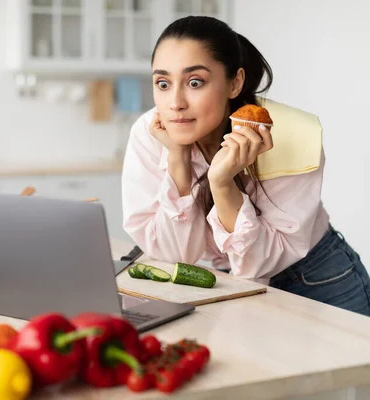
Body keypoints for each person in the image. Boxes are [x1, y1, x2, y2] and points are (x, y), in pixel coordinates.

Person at [121, 16, 370, 316]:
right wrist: (177, 157)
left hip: (319, 281)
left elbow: (258, 262)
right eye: (163, 83)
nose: (175, 103)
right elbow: (175, 256)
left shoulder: (290, 135)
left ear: (235, 82)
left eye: (195, 82)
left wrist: (222, 182)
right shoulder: (152, 133)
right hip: (229, 281)